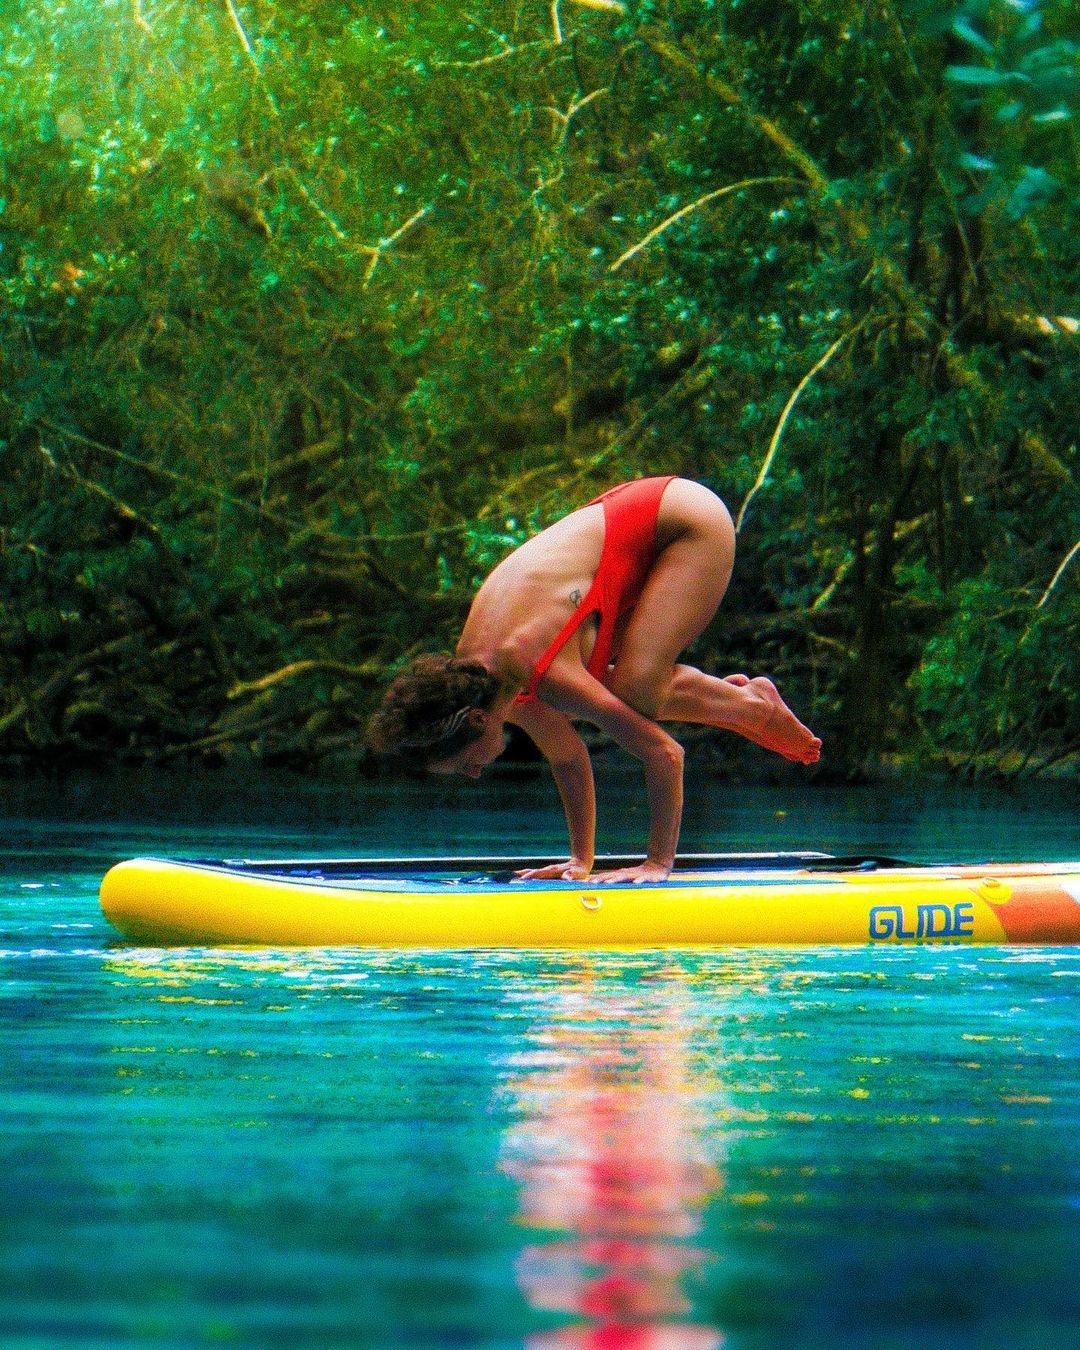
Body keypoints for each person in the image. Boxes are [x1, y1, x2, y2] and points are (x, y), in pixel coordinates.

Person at [368, 476, 821, 885]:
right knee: (619, 681)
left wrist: (656, 864)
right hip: (624, 543)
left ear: (476, 722)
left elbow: (664, 752)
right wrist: (579, 861)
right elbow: (566, 757)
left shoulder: (532, 666)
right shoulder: (484, 679)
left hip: (683, 522)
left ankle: (754, 706)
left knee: (634, 690)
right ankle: (747, 703)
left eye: (463, 764)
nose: (472, 773)